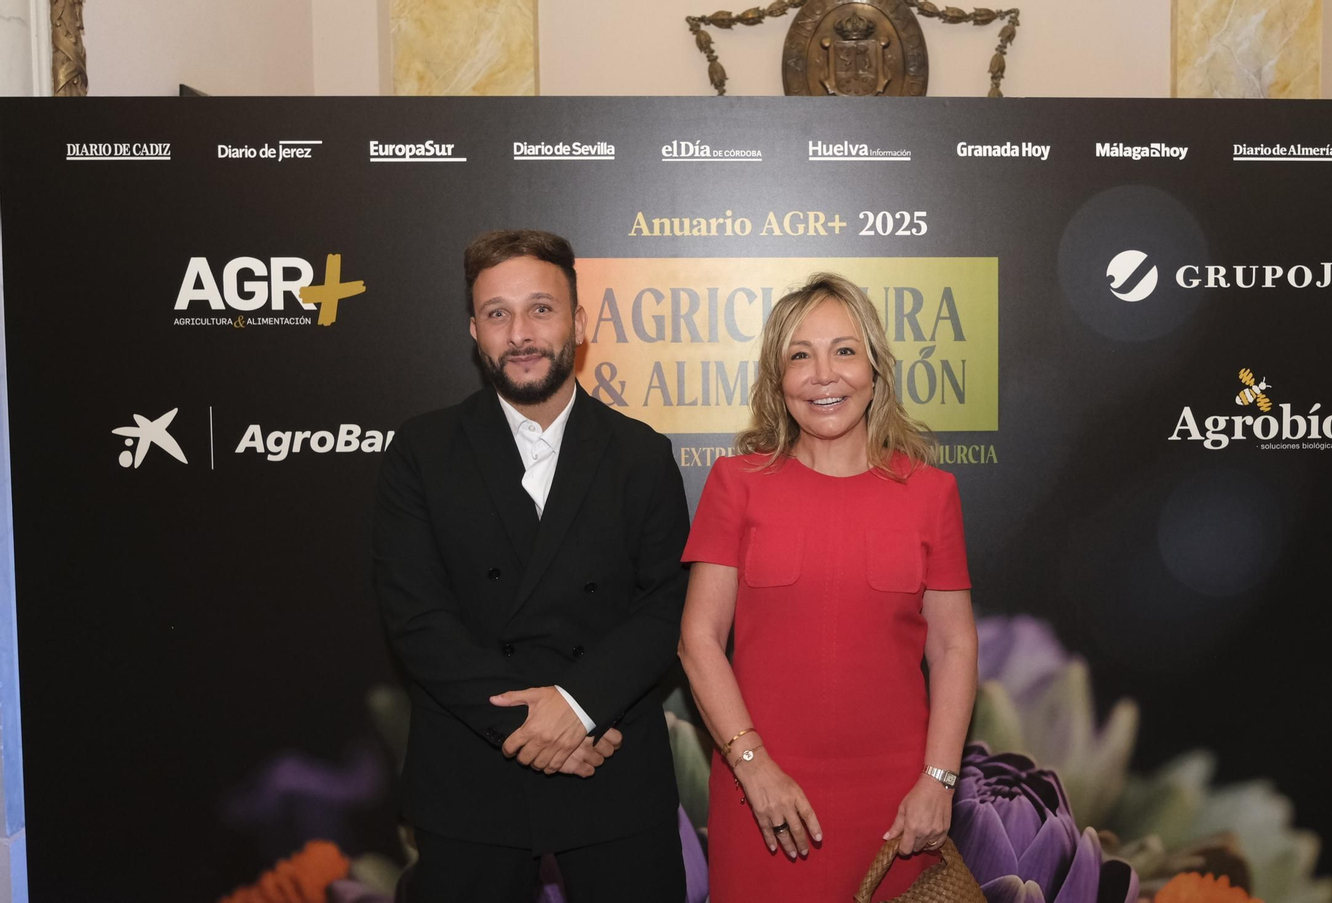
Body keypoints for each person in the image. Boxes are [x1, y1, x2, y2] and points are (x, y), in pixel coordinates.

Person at [372, 229, 689, 903]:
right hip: (471, 770)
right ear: (474, 330)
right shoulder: (421, 453)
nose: (519, 333)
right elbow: (418, 617)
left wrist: (577, 708)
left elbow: (666, 606)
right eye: (497, 313)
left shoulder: (641, 454)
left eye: (540, 309)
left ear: (579, 321)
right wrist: (535, 728)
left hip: (611, 764)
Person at [678, 273, 979, 901]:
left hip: (900, 809)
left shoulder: (931, 494)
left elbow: (953, 647)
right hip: (763, 800)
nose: (823, 374)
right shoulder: (738, 483)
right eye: (799, 355)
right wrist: (754, 769)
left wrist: (939, 780)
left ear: (874, 368)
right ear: (777, 379)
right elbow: (698, 641)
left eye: (843, 350)